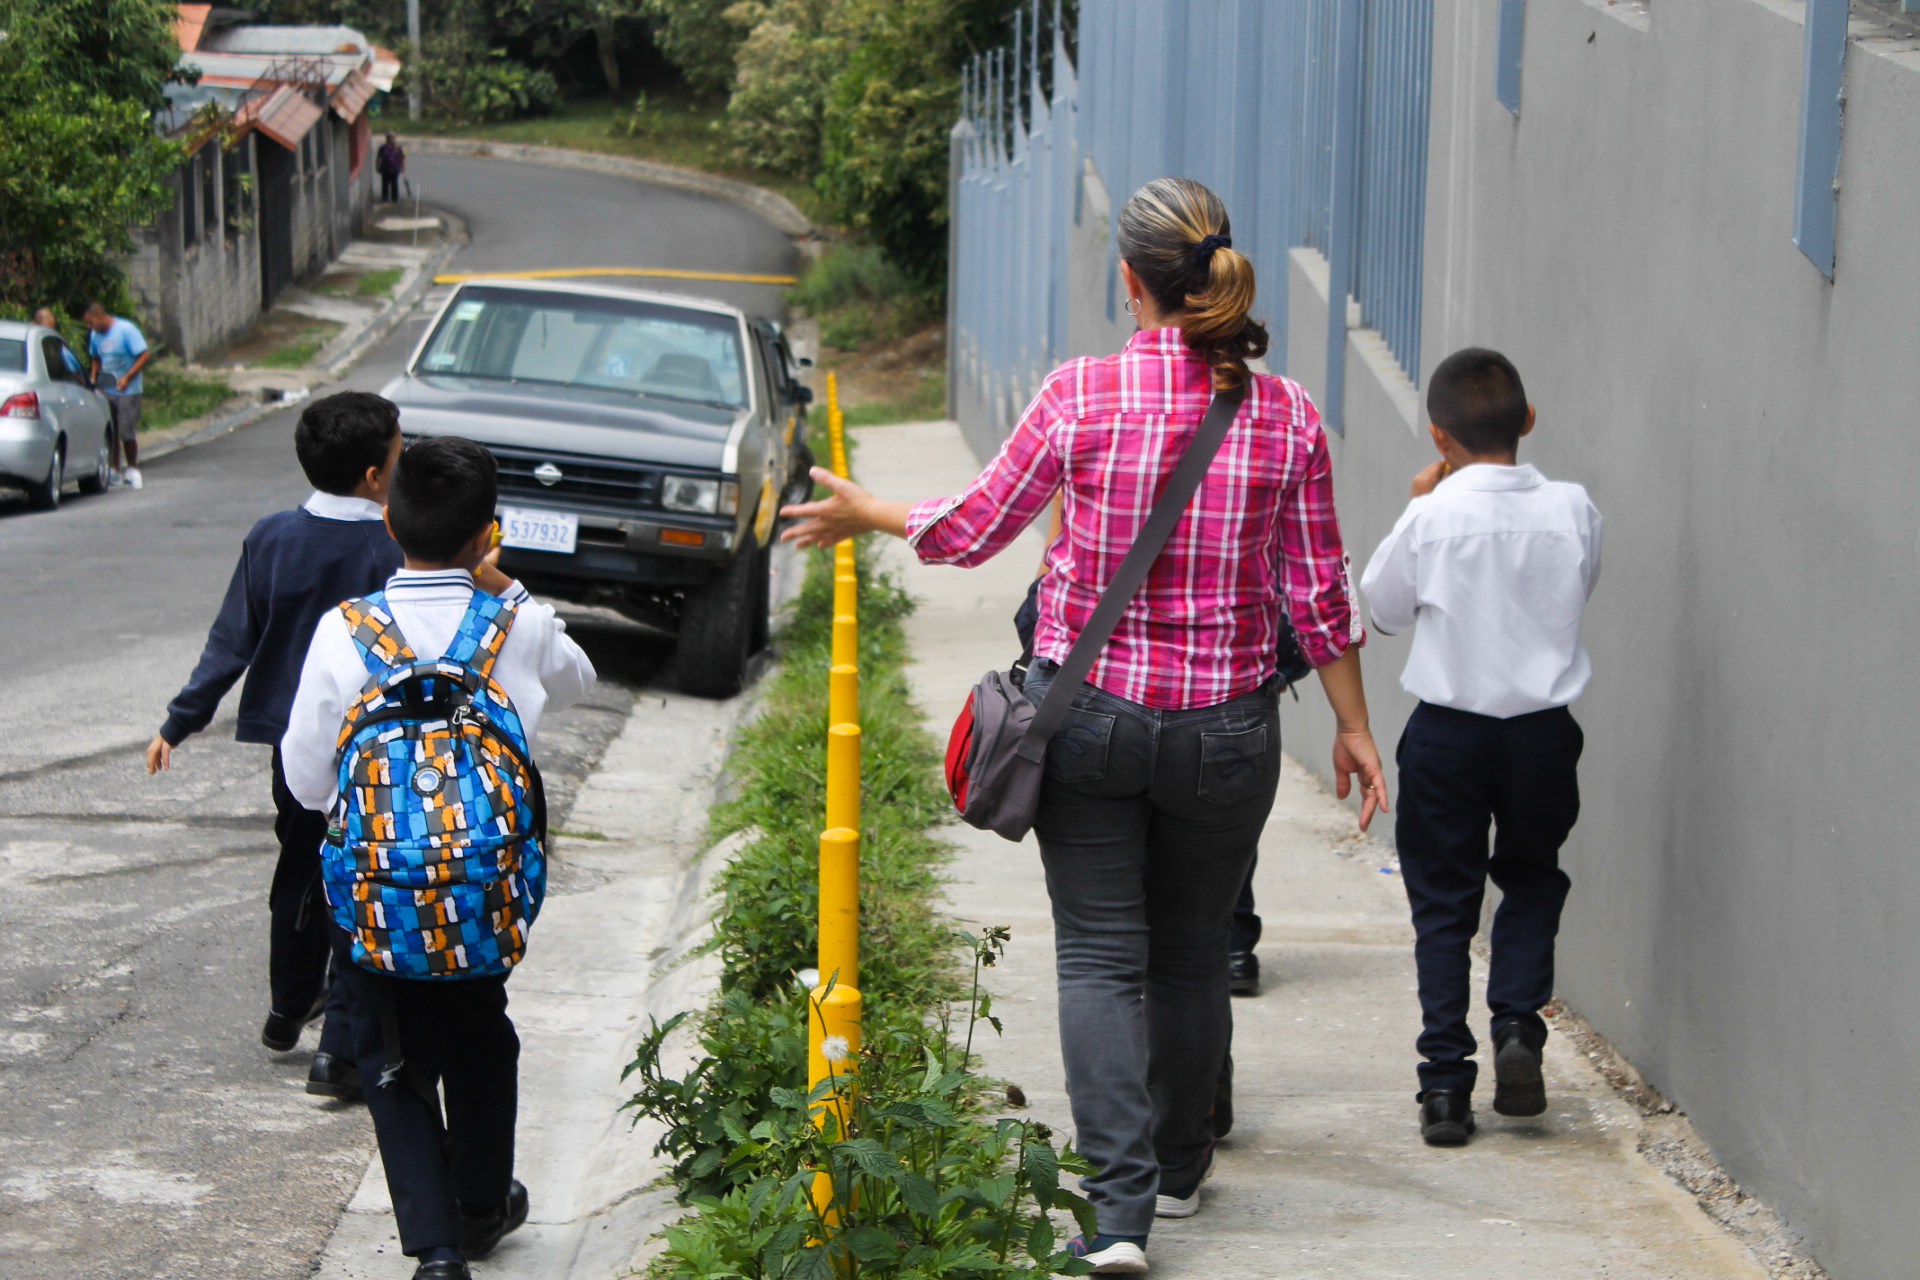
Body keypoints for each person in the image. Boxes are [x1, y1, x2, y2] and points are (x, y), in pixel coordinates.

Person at [782, 177, 1389, 1274]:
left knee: (1103, 957)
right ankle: (1184, 1161)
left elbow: (973, 531)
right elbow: (1320, 597)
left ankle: (1119, 1214)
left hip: (1092, 721)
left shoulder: (1080, 396)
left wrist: (865, 507)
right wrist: (1353, 726)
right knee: (1194, 951)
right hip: (1227, 733)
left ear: (1131, 281)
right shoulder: (1289, 413)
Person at [281, 435, 595, 1280]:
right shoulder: (517, 628)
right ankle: (484, 1200)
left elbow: (307, 777)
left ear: (388, 519)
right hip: (483, 895)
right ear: (487, 532)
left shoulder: (346, 633)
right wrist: (508, 583)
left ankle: (437, 1250)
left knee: (391, 1056)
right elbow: (580, 676)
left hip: (376, 896)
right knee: (481, 1034)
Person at [1357, 348, 1602, 1147]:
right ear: (1528, 421)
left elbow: (1383, 610)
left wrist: (1419, 503)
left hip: (1448, 734)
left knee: (1444, 908)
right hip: (1541, 732)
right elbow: (1578, 586)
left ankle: (1444, 1090)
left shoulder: (1433, 516)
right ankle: (1520, 1028)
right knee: (1531, 877)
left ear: (1438, 434)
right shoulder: (1573, 508)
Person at [147, 392, 406, 1099]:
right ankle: (342, 1043)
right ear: (375, 476)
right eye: (400, 451)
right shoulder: (393, 546)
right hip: (379, 747)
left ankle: (287, 1007)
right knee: (368, 877)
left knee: (300, 863)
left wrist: (180, 720)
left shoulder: (271, 537)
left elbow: (232, 640)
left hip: (293, 746)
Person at [84, 301, 152, 489]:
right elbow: (96, 358)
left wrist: (128, 377)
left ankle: (131, 468)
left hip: (128, 390)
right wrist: (94, 380)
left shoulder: (126, 330)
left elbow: (145, 355)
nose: (90, 327)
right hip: (107, 389)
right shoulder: (95, 335)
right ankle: (115, 469)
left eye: (91, 322)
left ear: (99, 316)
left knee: (126, 431)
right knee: (111, 430)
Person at [377, 133, 406, 205]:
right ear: (387, 138)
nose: (391, 139)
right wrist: (377, 166)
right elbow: (379, 158)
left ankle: (394, 199)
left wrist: (402, 166)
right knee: (385, 184)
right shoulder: (383, 147)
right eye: (389, 137)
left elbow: (403, 157)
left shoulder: (398, 147)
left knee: (394, 184)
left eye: (393, 138)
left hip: (395, 168)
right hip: (385, 168)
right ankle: (384, 199)